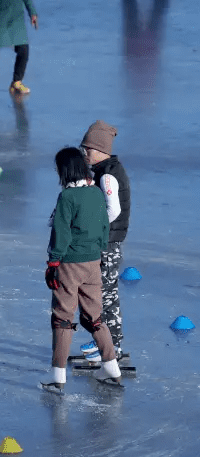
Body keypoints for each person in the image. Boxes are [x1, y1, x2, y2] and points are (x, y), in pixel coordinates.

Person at [40, 146, 122, 393]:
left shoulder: (67, 197)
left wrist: (53, 263)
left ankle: (58, 376)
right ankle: (112, 367)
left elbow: (61, 232)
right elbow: (104, 225)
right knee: (94, 317)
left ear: (65, 170)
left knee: (62, 318)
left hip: (70, 264)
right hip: (93, 262)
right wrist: (99, 251)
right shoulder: (96, 192)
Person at [78, 120, 130, 362]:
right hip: (110, 242)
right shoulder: (106, 171)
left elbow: (114, 210)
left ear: (99, 150)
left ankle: (111, 348)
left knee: (105, 296)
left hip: (107, 243)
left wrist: (93, 229)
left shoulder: (107, 176)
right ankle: (110, 344)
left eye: (87, 150)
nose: (84, 154)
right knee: (106, 294)